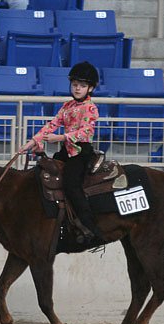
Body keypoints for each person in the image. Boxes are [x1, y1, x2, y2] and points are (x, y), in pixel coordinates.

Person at [19, 61, 104, 242]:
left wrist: (60, 138)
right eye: (75, 85)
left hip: (81, 152)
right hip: (66, 150)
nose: (77, 88)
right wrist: (33, 141)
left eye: (82, 86)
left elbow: (86, 132)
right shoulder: (67, 106)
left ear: (90, 88)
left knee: (71, 184)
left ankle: (89, 226)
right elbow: (53, 124)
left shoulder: (90, 108)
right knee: (45, 172)